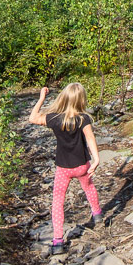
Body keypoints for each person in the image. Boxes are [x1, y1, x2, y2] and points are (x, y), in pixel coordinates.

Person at [27, 83, 102, 254]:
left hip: (63, 168)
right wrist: (96, 159)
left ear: (63, 97)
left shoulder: (54, 118)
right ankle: (97, 214)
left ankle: (58, 241)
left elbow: (32, 118)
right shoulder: (83, 118)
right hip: (82, 165)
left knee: (58, 201)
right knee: (89, 187)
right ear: (81, 100)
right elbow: (90, 138)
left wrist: (41, 99)